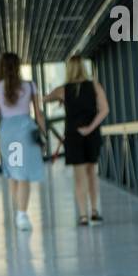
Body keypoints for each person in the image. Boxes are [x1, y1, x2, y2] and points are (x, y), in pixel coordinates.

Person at [0, 53, 47, 230]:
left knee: (14, 174)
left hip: (8, 134)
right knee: (23, 174)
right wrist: (44, 135)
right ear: (18, 67)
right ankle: (22, 214)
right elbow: (39, 114)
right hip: (26, 131)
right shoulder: (29, 86)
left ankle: (20, 213)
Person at [43, 57, 109, 224]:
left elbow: (43, 99)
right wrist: (90, 128)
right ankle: (94, 211)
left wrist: (60, 99)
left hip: (73, 136)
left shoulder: (63, 90)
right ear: (83, 68)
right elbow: (104, 110)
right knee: (92, 175)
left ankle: (83, 216)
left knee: (79, 177)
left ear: (69, 69)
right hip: (91, 135)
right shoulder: (94, 85)